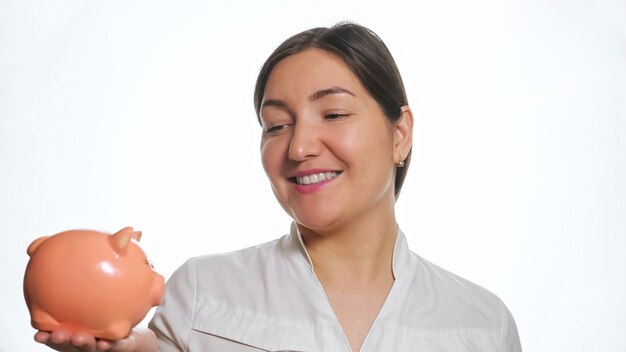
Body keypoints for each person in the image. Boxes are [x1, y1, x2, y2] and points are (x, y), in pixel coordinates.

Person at [35, 22, 522, 352]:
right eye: (275, 125)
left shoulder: (481, 325)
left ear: (400, 134)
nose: (299, 147)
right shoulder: (200, 292)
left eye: (332, 114)